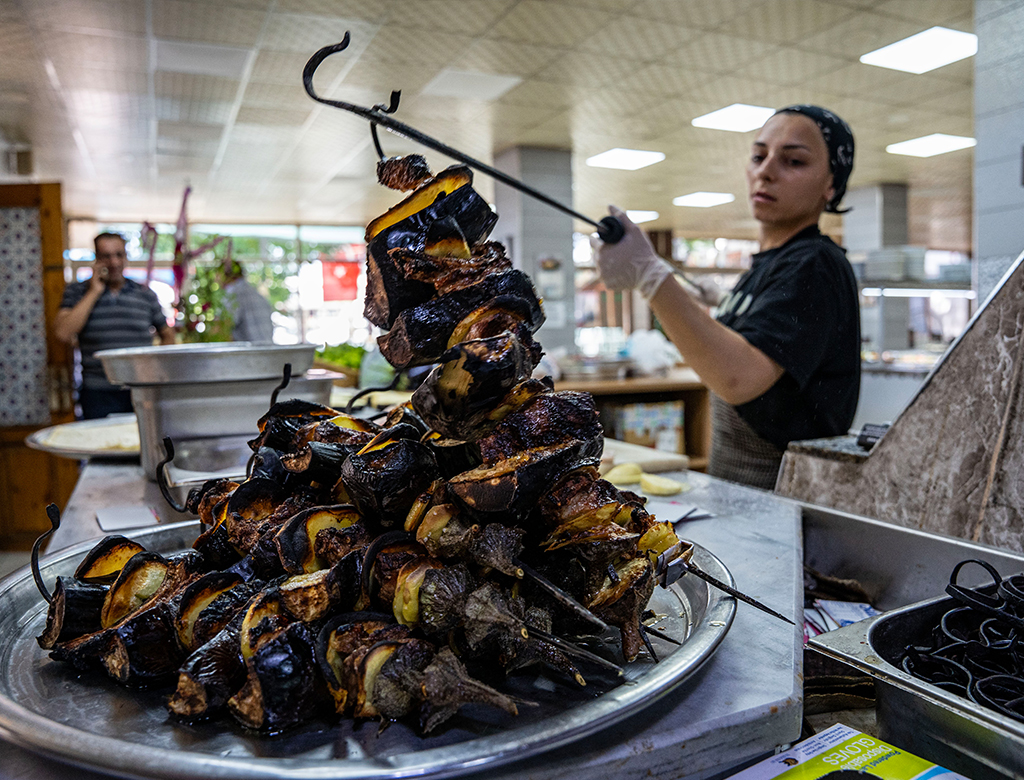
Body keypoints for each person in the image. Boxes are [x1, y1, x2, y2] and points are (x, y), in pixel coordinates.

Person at [592, 105, 861, 490]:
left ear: (831, 184)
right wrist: (723, 302)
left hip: (784, 493)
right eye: (758, 156)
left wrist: (652, 279)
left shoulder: (815, 263)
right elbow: (762, 335)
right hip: (740, 483)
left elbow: (738, 377)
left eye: (794, 160)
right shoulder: (771, 266)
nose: (765, 171)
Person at [54, 232, 174, 419]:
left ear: (126, 257)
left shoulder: (145, 294)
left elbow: (168, 334)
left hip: (141, 389)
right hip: (97, 392)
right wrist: (94, 292)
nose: (114, 262)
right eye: (106, 256)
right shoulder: (77, 292)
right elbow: (62, 333)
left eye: (119, 255)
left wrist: (157, 373)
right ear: (96, 259)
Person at [223, 260, 274, 344]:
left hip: (249, 353)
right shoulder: (255, 293)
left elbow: (225, 325)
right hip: (267, 351)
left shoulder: (234, 292)